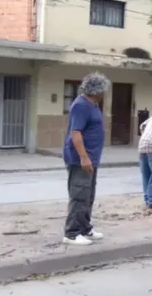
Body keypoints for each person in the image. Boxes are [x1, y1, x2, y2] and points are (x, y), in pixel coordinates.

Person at [62, 72, 110, 245]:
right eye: (103, 90)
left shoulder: (93, 104)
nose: (105, 93)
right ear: (96, 91)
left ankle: (85, 228)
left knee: (88, 195)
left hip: (92, 158)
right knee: (79, 195)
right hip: (80, 159)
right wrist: (84, 157)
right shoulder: (80, 105)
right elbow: (75, 133)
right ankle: (72, 233)